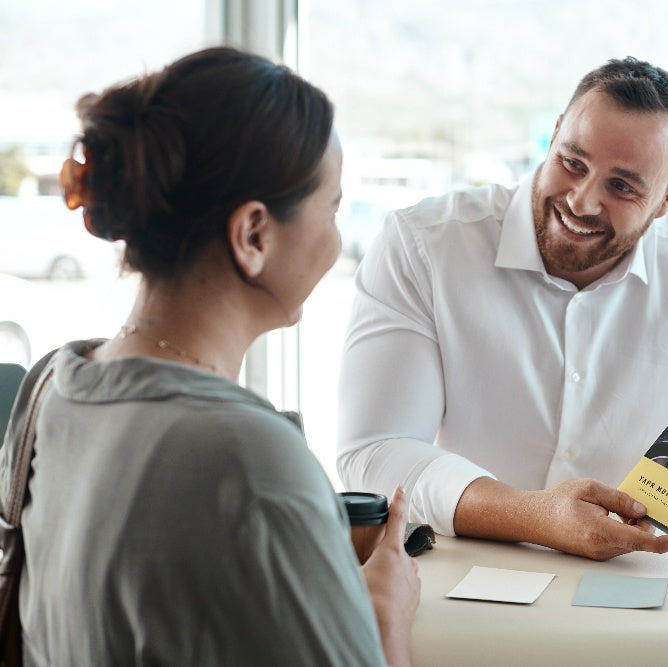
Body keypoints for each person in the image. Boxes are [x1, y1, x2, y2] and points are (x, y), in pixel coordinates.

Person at [0, 47, 419, 666]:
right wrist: (385, 621)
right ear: (253, 235)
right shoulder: (249, 460)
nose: (337, 238)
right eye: (331, 207)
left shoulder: (51, 385)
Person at [337, 56, 668, 561]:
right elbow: (374, 451)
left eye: (622, 186)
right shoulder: (425, 246)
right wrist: (532, 515)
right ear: (555, 135)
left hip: (632, 590)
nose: (583, 201)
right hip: (459, 587)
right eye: (573, 163)